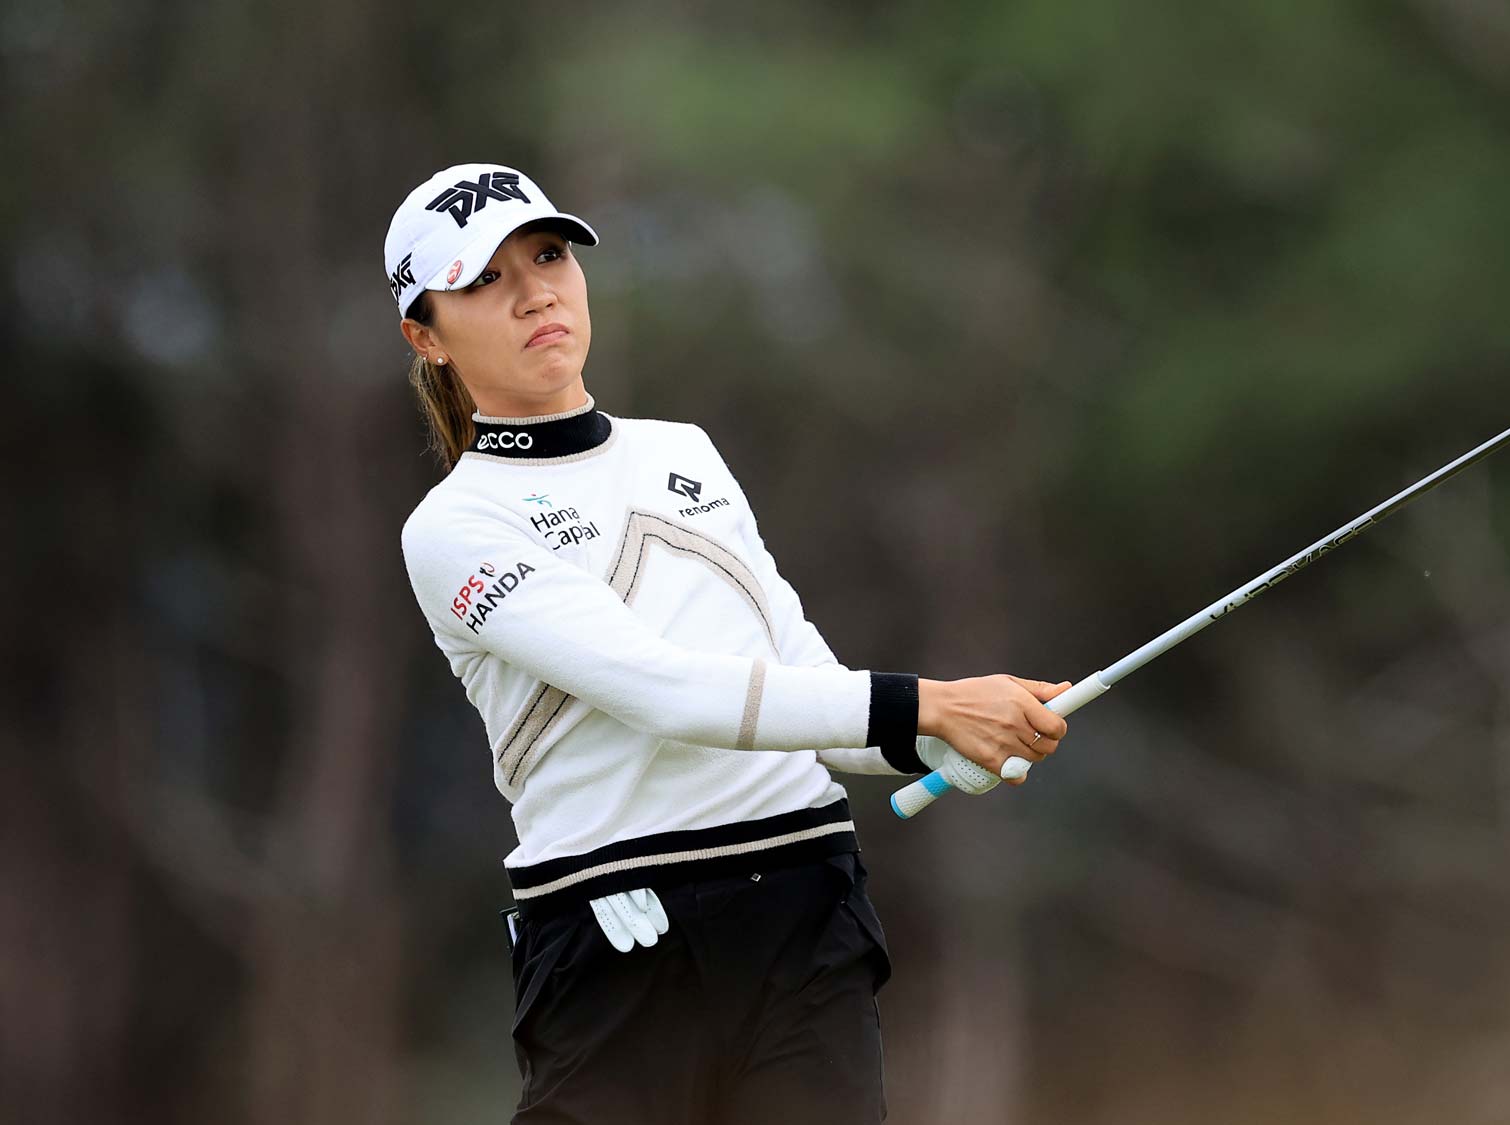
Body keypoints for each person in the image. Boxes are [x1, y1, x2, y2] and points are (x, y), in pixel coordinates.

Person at [387, 163, 1068, 1123]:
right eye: (484, 279)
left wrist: (941, 738)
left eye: (547, 256)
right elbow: (668, 692)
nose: (536, 290)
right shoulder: (453, 526)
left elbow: (812, 697)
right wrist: (933, 703)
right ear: (427, 335)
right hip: (618, 939)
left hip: (804, 915)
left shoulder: (684, 453)